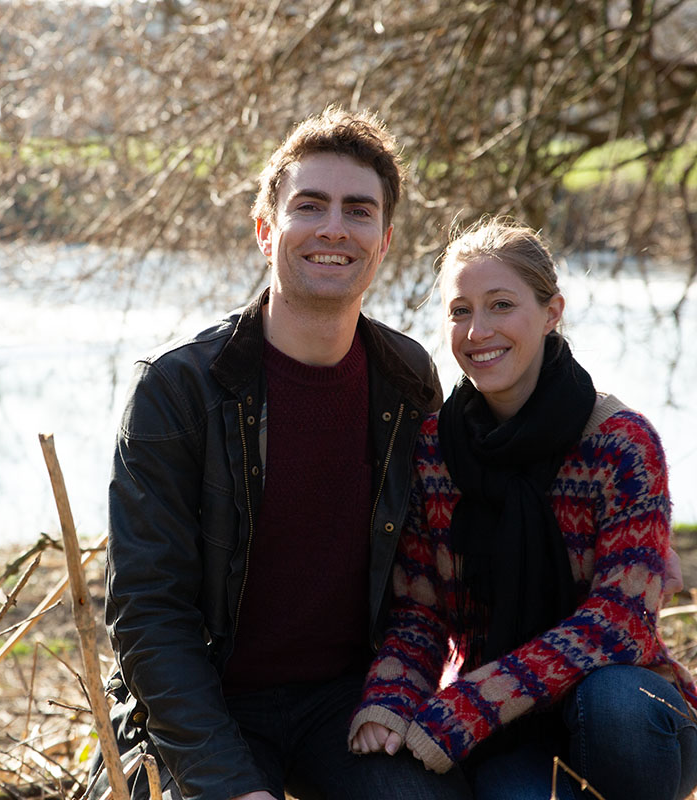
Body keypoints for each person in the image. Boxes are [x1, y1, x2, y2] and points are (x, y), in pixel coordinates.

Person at [98, 106, 472, 800]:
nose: (335, 227)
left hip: (347, 704)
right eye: (311, 206)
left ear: (383, 241)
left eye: (358, 212)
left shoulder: (407, 379)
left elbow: (429, 566)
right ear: (266, 229)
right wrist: (230, 784)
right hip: (205, 707)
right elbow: (148, 614)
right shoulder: (179, 388)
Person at [349, 217, 697, 800]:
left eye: (501, 305)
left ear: (552, 311)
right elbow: (421, 611)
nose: (478, 330)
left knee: (611, 702)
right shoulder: (434, 449)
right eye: (460, 311)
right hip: (514, 733)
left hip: (634, 719)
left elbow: (622, 621)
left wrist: (470, 702)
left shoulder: (620, 444)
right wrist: (389, 700)